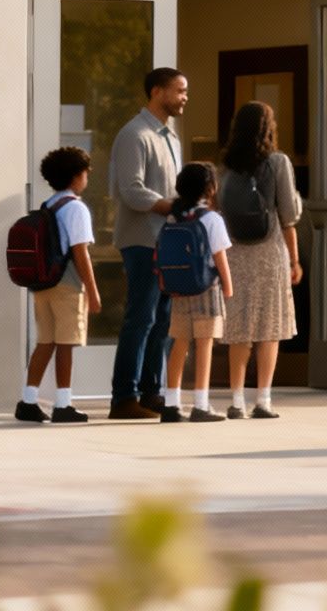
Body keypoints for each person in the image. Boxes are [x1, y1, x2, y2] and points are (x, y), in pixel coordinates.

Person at [109, 67, 188, 419]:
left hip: (169, 240)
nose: (185, 97)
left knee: (163, 320)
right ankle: (124, 397)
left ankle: (151, 392)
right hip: (142, 241)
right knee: (140, 318)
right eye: (180, 91)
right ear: (157, 91)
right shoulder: (135, 134)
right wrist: (172, 205)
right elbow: (131, 190)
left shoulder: (171, 137)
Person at [219, 101, 303, 420]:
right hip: (269, 252)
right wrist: (294, 260)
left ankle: (236, 400)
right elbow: (289, 215)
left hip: (234, 252)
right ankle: (263, 400)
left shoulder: (225, 167)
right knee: (269, 328)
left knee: (239, 327)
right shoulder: (278, 162)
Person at [17, 146, 101, 424]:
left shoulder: (49, 205)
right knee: (66, 343)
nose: (87, 177)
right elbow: (80, 252)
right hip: (67, 283)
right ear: (77, 176)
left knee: (45, 342)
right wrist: (92, 289)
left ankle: (28, 400)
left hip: (43, 282)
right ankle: (63, 404)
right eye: (86, 172)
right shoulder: (76, 208)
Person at [159, 163, 236, 424]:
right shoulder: (212, 219)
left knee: (179, 343)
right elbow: (220, 257)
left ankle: (171, 402)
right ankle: (201, 404)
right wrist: (228, 286)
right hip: (206, 288)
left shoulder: (174, 217)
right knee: (204, 344)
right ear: (210, 189)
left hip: (179, 289)